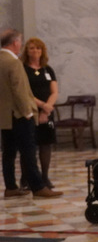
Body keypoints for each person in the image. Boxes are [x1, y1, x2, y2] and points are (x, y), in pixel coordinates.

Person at [0, 29, 62, 198]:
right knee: (28, 151)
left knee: (9, 152)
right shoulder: (14, 62)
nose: (20, 44)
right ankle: (38, 187)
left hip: (5, 115)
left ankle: (11, 187)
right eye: (20, 42)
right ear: (15, 43)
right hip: (19, 114)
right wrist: (28, 112)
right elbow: (19, 90)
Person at [21, 37, 58, 189]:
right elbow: (25, 92)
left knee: (45, 144)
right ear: (27, 51)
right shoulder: (22, 69)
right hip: (29, 110)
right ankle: (27, 178)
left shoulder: (47, 69)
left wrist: (47, 107)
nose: (35, 51)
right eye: (31, 48)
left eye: (38, 48)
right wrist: (42, 105)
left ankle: (44, 177)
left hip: (47, 112)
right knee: (29, 145)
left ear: (42, 51)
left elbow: (54, 91)